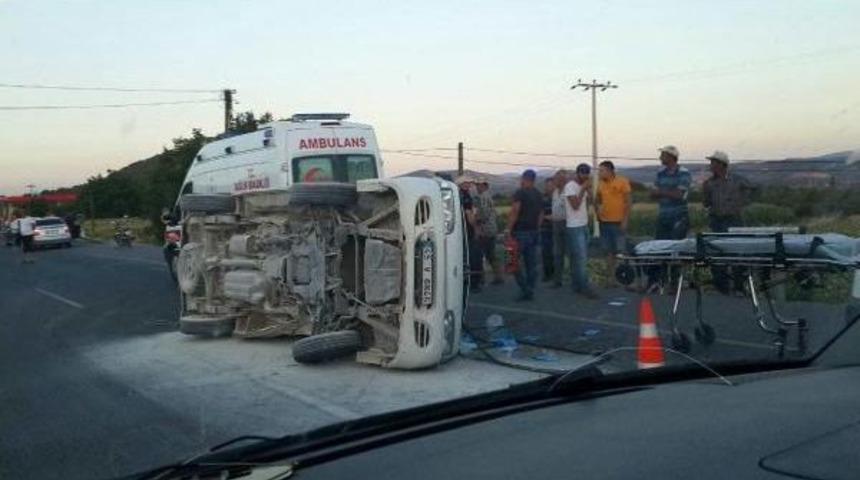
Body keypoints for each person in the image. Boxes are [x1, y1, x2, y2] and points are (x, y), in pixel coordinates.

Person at [702, 150, 753, 294]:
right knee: (717, 253)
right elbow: (706, 203)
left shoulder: (738, 180)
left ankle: (739, 285)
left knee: (737, 252)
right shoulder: (708, 183)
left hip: (734, 220)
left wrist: (741, 203)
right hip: (717, 221)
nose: (711, 165)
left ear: (721, 164)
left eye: (713, 162)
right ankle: (722, 286)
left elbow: (753, 190)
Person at [505, 169, 544, 301]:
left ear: (524, 179)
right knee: (531, 265)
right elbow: (541, 214)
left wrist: (508, 229)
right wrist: (536, 228)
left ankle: (525, 290)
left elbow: (515, 210)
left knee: (513, 263)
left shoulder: (520, 193)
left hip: (520, 232)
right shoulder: (538, 194)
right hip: (533, 232)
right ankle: (530, 290)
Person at [563, 164, 599, 299]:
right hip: (574, 227)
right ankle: (584, 287)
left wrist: (589, 190)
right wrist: (583, 188)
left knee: (577, 258)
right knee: (581, 258)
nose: (585, 176)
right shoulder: (570, 186)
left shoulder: (584, 185)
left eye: (586, 174)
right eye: (582, 174)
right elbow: (575, 205)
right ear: (577, 173)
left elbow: (593, 202)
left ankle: (576, 285)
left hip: (583, 225)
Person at [596, 161, 632, 287]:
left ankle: (624, 276)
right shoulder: (600, 184)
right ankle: (610, 278)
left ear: (610, 171)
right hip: (605, 222)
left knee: (620, 250)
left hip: (618, 221)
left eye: (602, 170)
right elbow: (598, 200)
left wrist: (625, 219)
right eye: (599, 170)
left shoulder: (622, 181)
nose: (600, 173)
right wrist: (598, 211)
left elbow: (628, 202)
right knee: (608, 250)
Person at [652, 145, 691, 240]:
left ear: (670, 157)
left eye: (663, 155)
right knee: (661, 246)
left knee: (676, 246)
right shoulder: (660, 173)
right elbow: (652, 194)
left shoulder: (683, 173)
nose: (660, 158)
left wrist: (661, 192)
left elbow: (679, 195)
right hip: (663, 216)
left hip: (679, 217)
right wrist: (669, 192)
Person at [474, 178, 504, 286]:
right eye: (477, 185)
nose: (478, 187)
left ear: (485, 186)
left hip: (485, 229)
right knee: (490, 254)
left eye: (480, 185)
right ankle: (498, 276)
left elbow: (484, 214)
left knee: (481, 254)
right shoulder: (487, 197)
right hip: (491, 228)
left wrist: (475, 220)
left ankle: (482, 278)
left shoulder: (483, 198)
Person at [457, 175, 484, 293]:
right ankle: (474, 283)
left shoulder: (457, 195)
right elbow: (469, 216)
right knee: (473, 257)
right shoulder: (466, 196)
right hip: (468, 230)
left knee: (464, 256)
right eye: (468, 183)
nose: (470, 184)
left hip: (461, 230)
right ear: (463, 184)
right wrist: (476, 228)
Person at [549, 170, 569, 288]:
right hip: (556, 224)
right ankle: (557, 280)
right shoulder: (555, 192)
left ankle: (575, 280)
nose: (554, 181)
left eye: (556, 179)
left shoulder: (568, 191)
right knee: (557, 253)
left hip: (567, 224)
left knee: (571, 253)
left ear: (562, 180)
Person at [540, 177, 556, 282]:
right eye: (546, 185)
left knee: (556, 252)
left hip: (556, 229)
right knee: (545, 252)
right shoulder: (543, 198)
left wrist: (549, 217)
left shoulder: (558, 197)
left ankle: (555, 274)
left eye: (549, 185)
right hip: (545, 229)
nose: (547, 187)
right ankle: (547, 274)